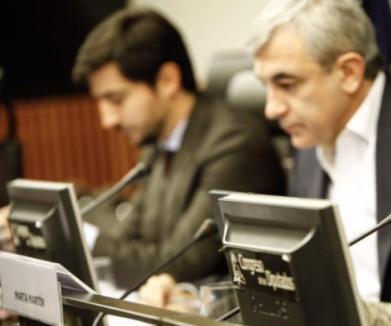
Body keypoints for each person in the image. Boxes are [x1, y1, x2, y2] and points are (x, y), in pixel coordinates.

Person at [249, 0, 391, 326]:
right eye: (265, 86)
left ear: (349, 72)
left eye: (287, 84)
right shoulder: (308, 144)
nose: (271, 108)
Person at [72, 8, 286, 288]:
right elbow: (128, 239)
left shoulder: (234, 144)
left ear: (167, 81)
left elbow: (176, 265)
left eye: (116, 99)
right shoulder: (158, 144)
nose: (107, 120)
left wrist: (78, 236)